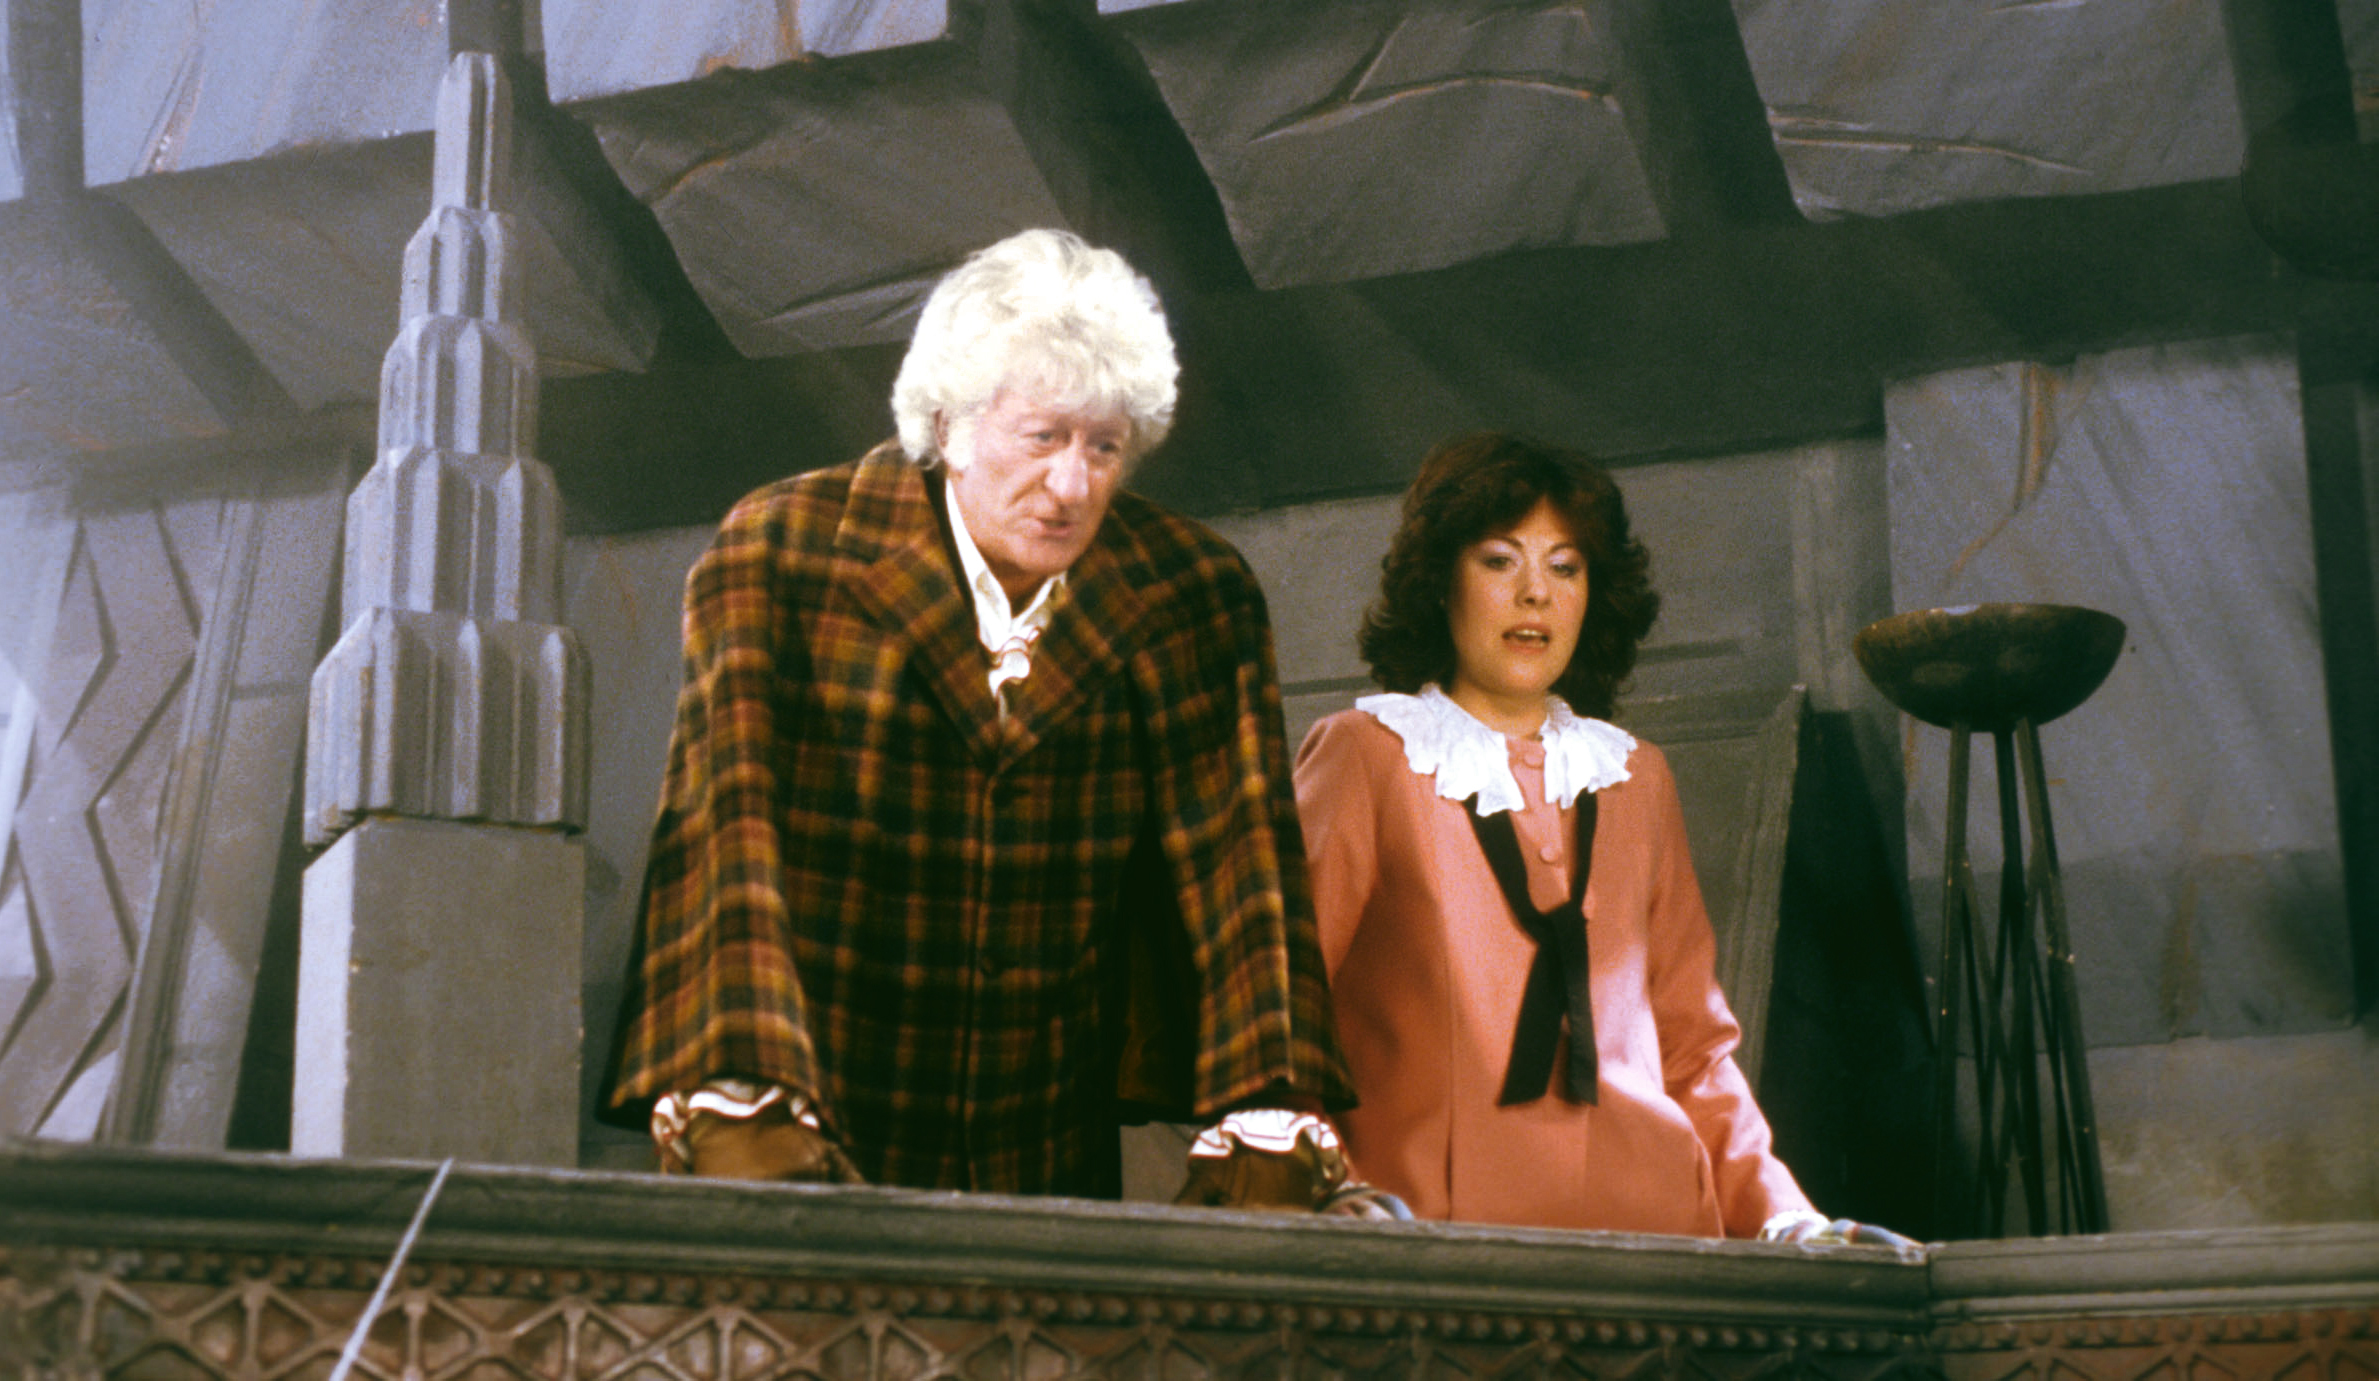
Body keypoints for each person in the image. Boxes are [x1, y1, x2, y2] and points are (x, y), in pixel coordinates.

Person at [604, 229, 1359, 1206]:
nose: (1074, 486)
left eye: (1104, 447)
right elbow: (725, 824)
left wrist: (1267, 1105)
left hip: (1044, 1144)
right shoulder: (782, 551)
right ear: (947, 424)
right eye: (1043, 437)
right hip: (810, 1117)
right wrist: (737, 1085)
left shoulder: (1193, 591)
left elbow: (1240, 860)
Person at [1294, 433, 1898, 1242]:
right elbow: (1276, 1019)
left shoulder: (1634, 777)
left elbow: (1692, 1050)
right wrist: (1324, 1189)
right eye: (1499, 560)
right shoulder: (1365, 755)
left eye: (1565, 567)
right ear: (1440, 580)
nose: (1534, 593)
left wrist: (1784, 1215)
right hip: (1435, 1240)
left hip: (1657, 1232)